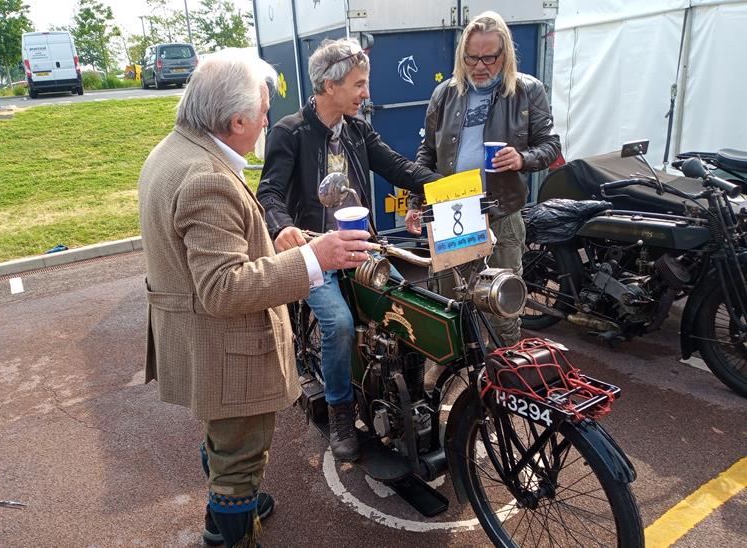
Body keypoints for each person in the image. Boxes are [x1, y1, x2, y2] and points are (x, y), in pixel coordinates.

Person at [138, 49, 373, 548]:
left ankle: (234, 502)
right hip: (225, 346)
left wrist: (292, 242)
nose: (270, 118)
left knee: (223, 439)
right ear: (237, 118)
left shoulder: (176, 150)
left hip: (195, 336)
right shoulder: (206, 177)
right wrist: (317, 260)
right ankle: (228, 527)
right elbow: (223, 287)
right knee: (239, 456)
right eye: (265, 110)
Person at [256, 38, 440, 462]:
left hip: (361, 246)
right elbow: (269, 193)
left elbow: (399, 168)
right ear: (328, 85)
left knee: (408, 308)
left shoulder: (357, 131)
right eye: (359, 84)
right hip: (315, 252)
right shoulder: (290, 132)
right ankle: (340, 411)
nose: (366, 93)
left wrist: (453, 188)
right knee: (338, 323)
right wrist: (283, 229)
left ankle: (406, 399)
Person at [405, 10, 561, 346]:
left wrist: (522, 158)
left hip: (501, 211)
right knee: (450, 296)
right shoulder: (445, 94)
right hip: (452, 210)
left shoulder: (527, 91)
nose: (479, 66)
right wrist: (416, 202)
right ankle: (458, 373)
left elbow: (550, 145)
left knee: (503, 300)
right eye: (471, 57)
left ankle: (505, 372)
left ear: (505, 55)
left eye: (489, 57)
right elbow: (426, 153)